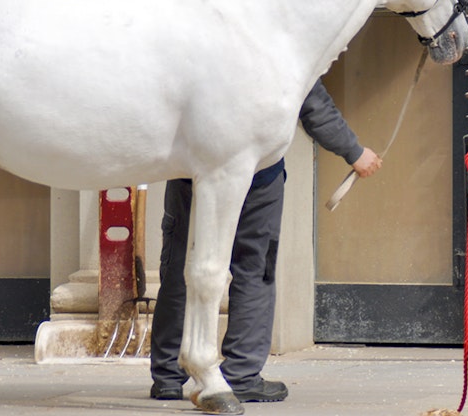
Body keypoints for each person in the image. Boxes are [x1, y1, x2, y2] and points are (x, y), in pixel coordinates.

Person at [149, 79, 382, 403]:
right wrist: (354, 151)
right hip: (256, 176)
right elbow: (311, 101)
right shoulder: (274, 38)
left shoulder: (197, 34)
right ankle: (242, 374)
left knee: (181, 268)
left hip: (193, 169)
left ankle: (168, 376)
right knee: (254, 268)